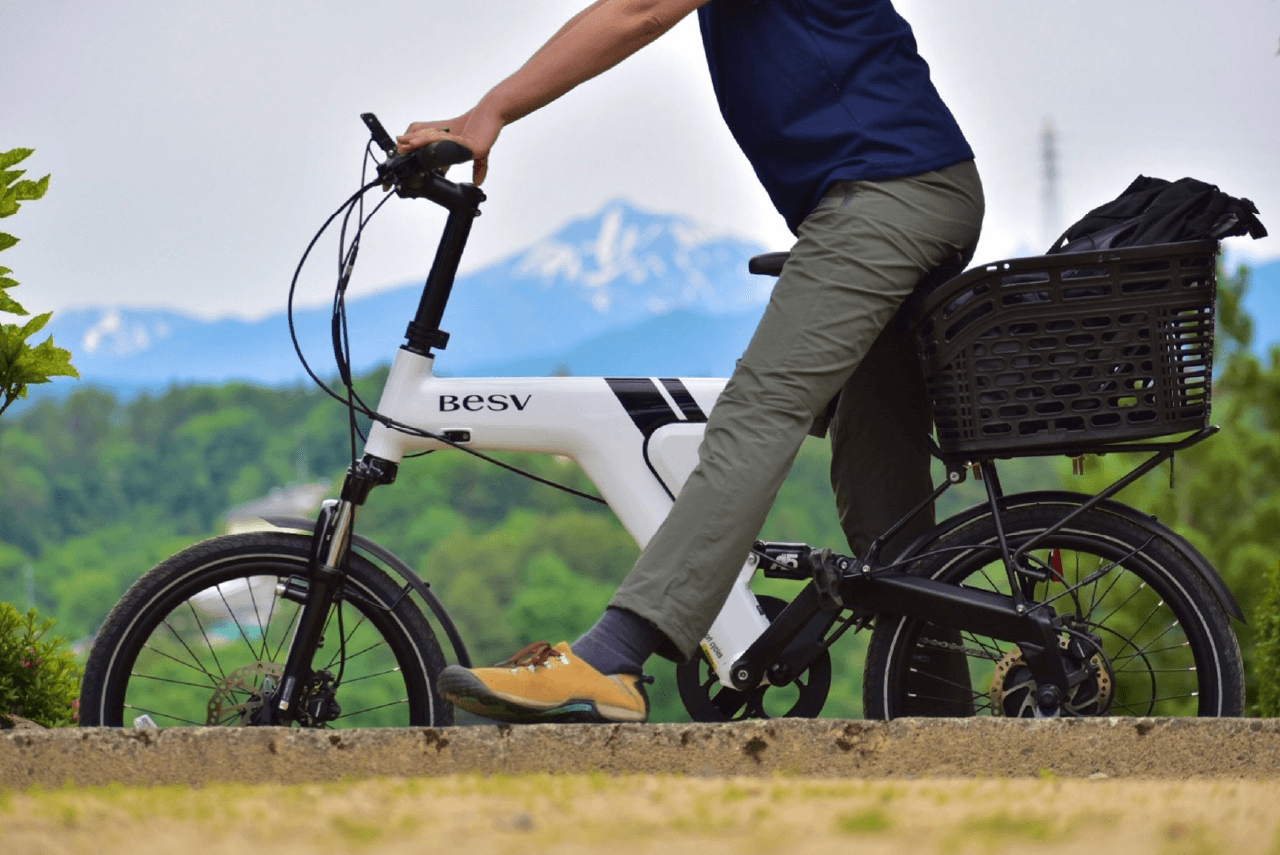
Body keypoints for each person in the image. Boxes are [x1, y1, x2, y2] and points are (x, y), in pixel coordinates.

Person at [399, 0, 984, 724]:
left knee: (758, 409)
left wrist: (488, 111)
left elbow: (637, 13)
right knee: (880, 491)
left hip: (890, 194)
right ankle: (946, 727)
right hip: (901, 188)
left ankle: (615, 653)